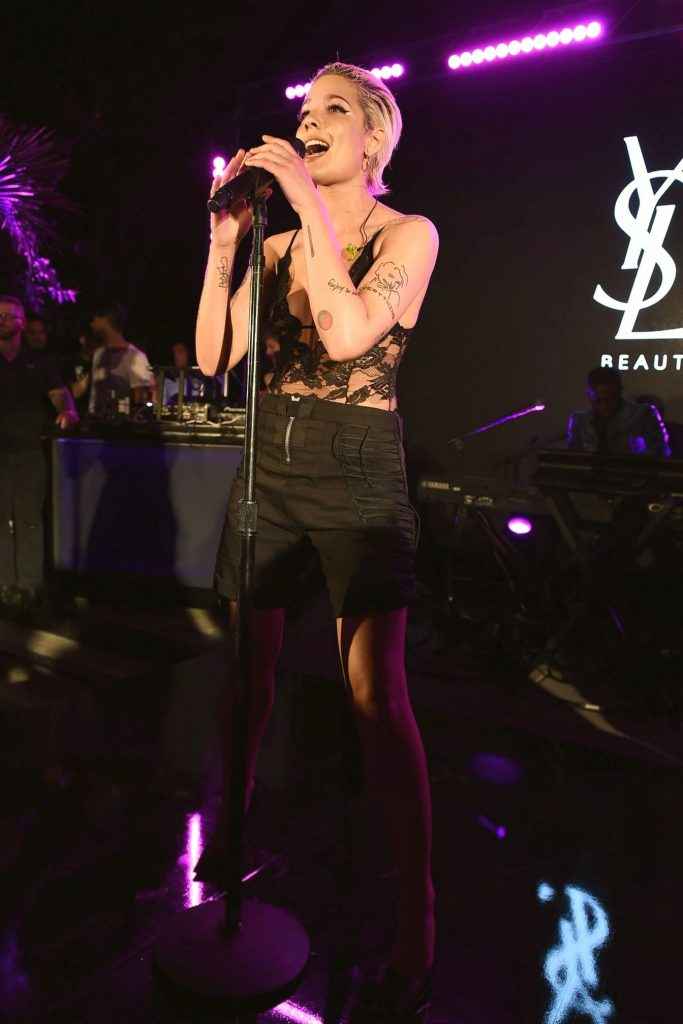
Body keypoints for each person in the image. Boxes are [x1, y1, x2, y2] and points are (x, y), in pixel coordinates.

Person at [195, 62, 439, 1022]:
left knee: (375, 696)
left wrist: (301, 199)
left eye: (335, 109)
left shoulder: (407, 234)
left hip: (356, 464)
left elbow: (344, 338)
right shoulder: (276, 242)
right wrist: (223, 246)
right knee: (244, 674)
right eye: (305, 109)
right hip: (271, 463)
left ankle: (414, 914)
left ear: (374, 138)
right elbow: (214, 356)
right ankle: (232, 824)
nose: (310, 119)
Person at [0, 295, 78, 604]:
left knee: (29, 519)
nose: (2, 321)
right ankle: (4, 585)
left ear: (22, 322)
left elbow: (61, 395)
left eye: (9, 315)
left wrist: (67, 411)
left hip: (29, 451)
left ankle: (30, 585)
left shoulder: (38, 361)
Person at [568, 366, 671, 457]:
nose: (604, 406)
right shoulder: (579, 420)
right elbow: (573, 457)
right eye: (598, 400)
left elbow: (661, 453)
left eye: (610, 399)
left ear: (619, 392)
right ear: (589, 395)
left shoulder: (644, 414)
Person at [88, 301, 155, 418]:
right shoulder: (99, 354)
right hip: (95, 423)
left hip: (122, 425)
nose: (91, 324)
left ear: (105, 320)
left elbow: (142, 401)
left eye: (94, 319)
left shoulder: (136, 357)